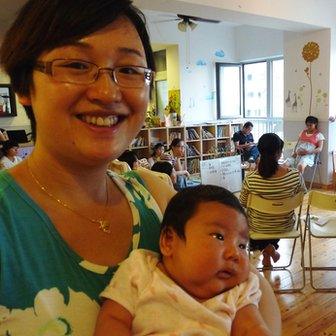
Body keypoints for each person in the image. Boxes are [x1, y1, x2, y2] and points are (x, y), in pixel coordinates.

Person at [0, 0, 281, 334]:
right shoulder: (8, 220)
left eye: (130, 70)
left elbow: (253, 292)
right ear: (22, 85)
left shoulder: (154, 195)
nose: (107, 91)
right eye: (76, 65)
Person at [95, 185, 272, 336]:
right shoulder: (141, 270)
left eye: (242, 245)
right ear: (169, 241)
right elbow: (113, 319)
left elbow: (252, 329)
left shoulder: (239, 290)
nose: (235, 253)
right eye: (218, 236)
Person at [240, 133, 306, 268]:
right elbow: (301, 196)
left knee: (254, 222)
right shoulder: (294, 175)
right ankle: (269, 252)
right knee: (273, 218)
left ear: (260, 152)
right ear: (279, 153)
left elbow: (243, 203)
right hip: (285, 225)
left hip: (258, 226)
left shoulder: (251, 179)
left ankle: (268, 251)